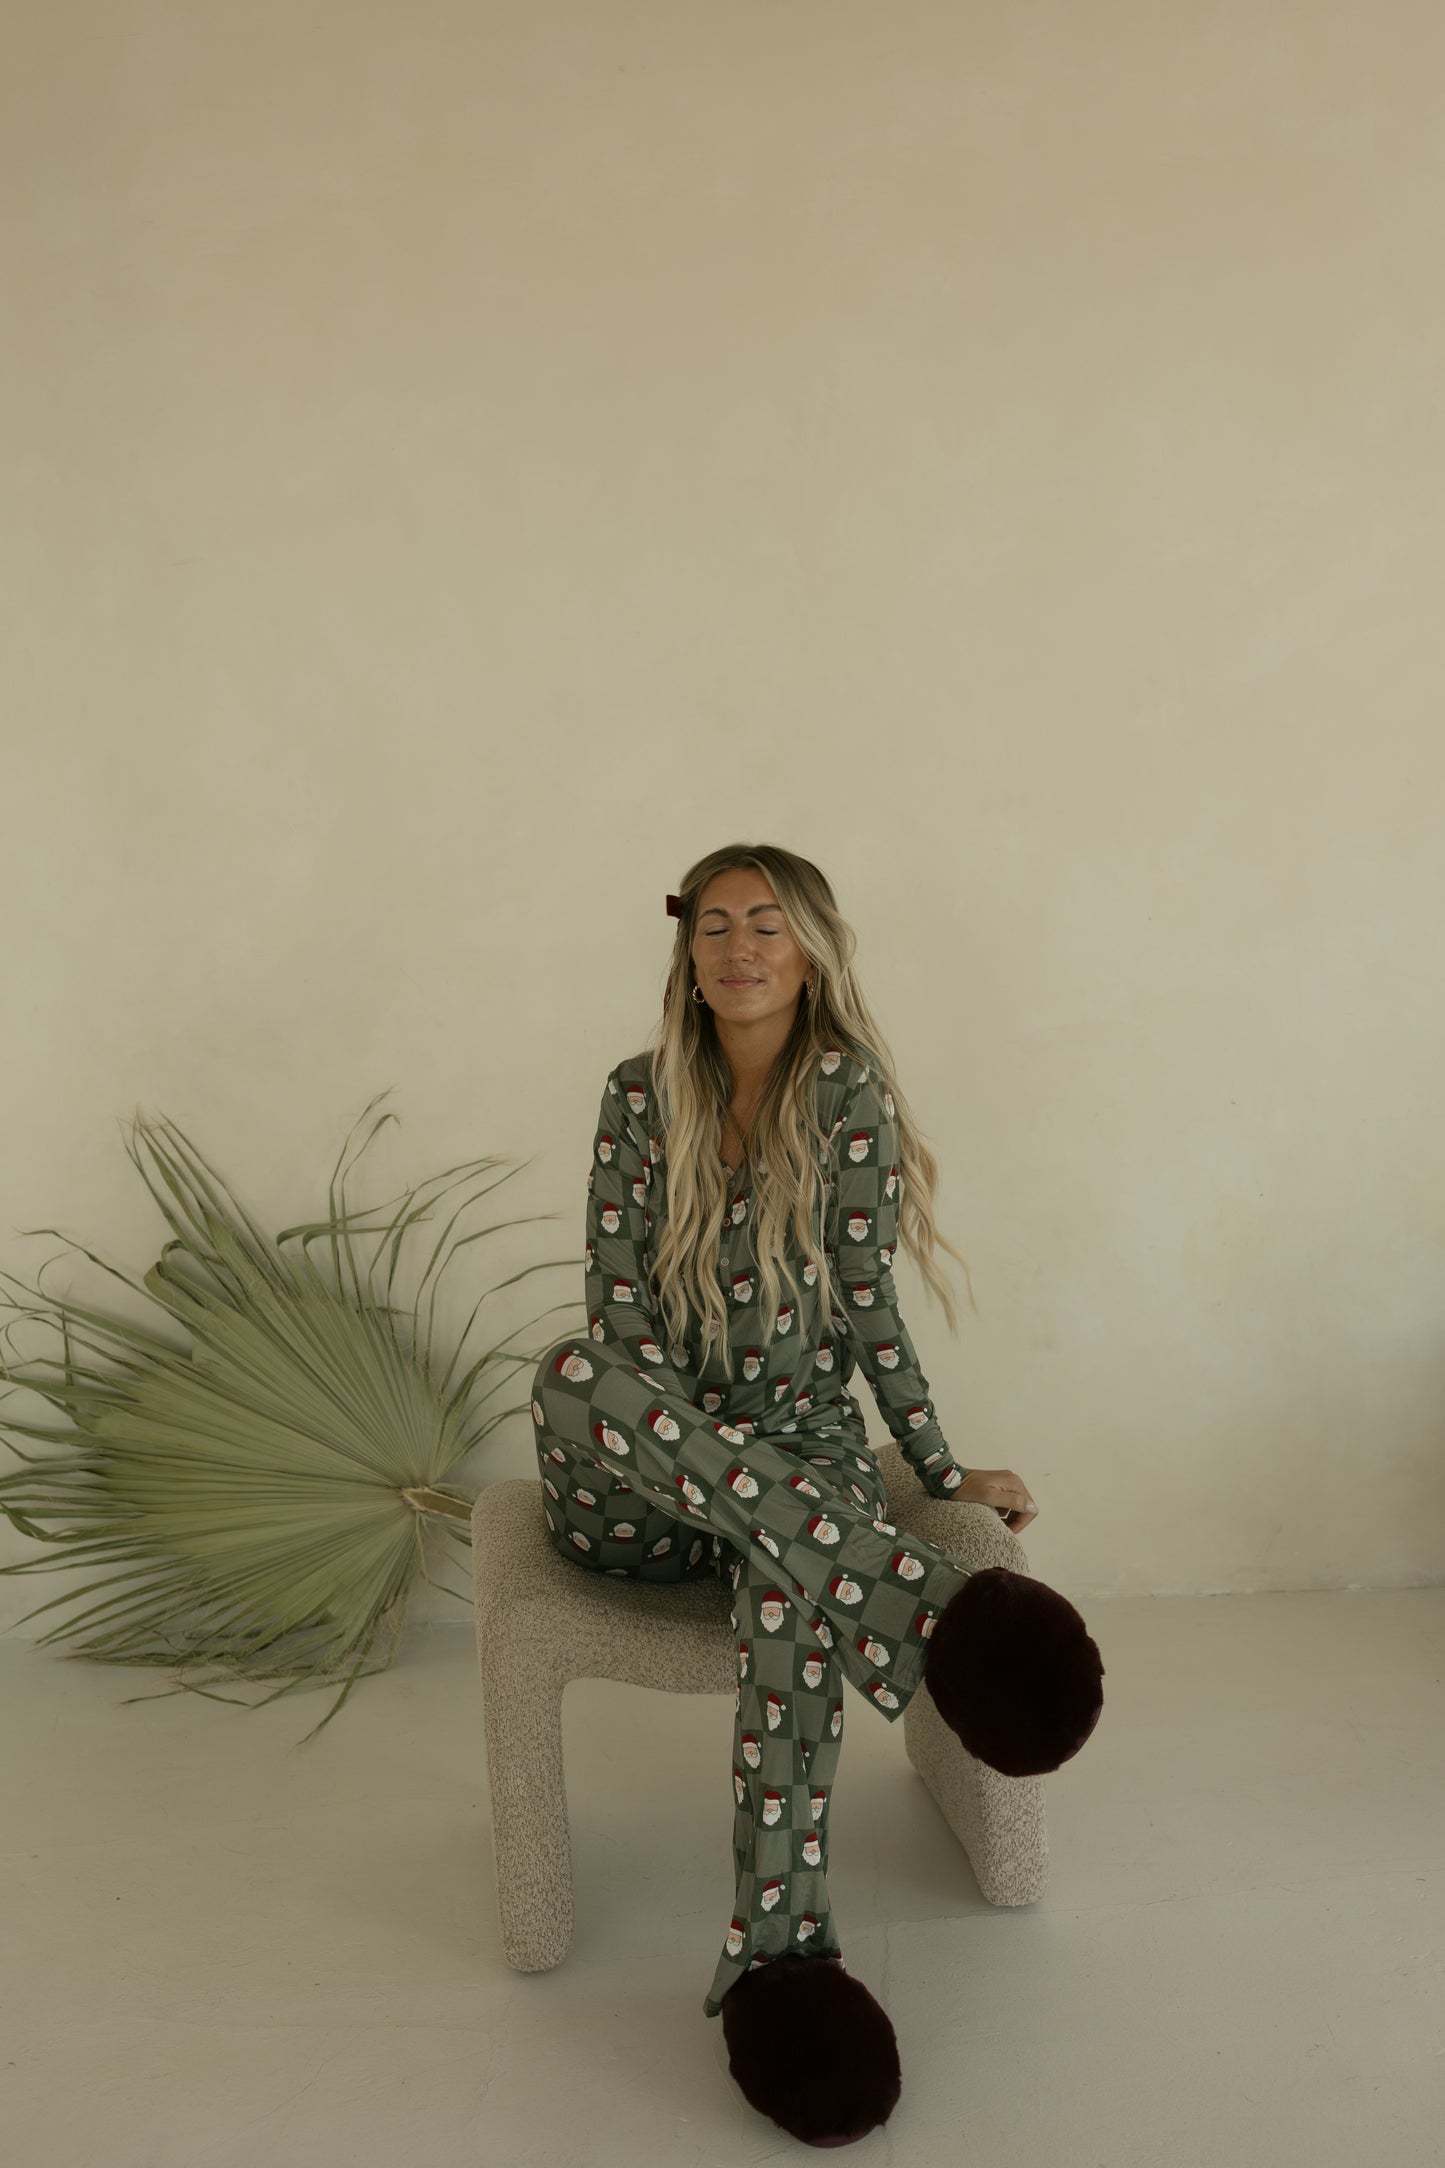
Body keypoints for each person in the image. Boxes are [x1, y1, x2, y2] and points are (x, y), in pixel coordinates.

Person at [530, 843, 1103, 2147]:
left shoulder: (845, 1096)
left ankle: (780, 1968)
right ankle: (922, 1610)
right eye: (717, 924)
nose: (740, 948)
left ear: (811, 953)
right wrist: (698, 1454)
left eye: (768, 927)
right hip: (646, 1478)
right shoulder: (635, 1098)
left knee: (793, 1596)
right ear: (685, 949)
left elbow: (866, 1308)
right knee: (571, 1372)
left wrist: (939, 1467)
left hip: (805, 1468)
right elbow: (613, 1331)